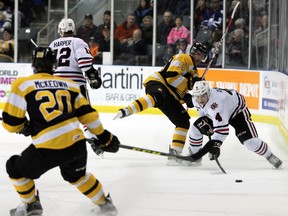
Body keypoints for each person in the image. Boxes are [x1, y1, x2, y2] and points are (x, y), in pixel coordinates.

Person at [2, 46, 120, 216]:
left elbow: (11, 123)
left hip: (48, 147)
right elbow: (88, 116)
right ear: (53, 65)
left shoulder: (23, 84)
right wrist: (104, 137)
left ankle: (31, 205)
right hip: (77, 145)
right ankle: (106, 205)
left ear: (33, 64)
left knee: (14, 168)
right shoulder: (70, 85)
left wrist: (24, 127)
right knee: (77, 176)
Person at [113, 42, 208, 165]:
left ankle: (175, 153)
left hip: (170, 96)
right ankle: (127, 110)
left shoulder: (195, 72)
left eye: (203, 55)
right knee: (157, 97)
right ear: (193, 52)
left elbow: (182, 90)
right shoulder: (183, 58)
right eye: (199, 54)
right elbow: (170, 77)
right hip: (158, 83)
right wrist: (188, 87)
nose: (200, 58)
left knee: (183, 121)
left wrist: (189, 97)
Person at [186, 80, 282, 168]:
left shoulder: (217, 103)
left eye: (203, 95)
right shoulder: (196, 99)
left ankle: (269, 155)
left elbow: (223, 130)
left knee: (251, 143)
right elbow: (202, 112)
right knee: (195, 130)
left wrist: (215, 146)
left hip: (236, 111)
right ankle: (195, 157)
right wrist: (207, 127)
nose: (200, 99)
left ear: (208, 93)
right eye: (198, 96)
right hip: (220, 111)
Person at [49, 18, 102, 139]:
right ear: (73, 29)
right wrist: (92, 76)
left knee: (60, 115)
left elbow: (48, 68)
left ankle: (62, 140)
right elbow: (84, 63)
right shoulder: (78, 42)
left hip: (56, 86)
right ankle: (93, 139)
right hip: (75, 85)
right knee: (85, 114)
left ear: (60, 30)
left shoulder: (53, 44)